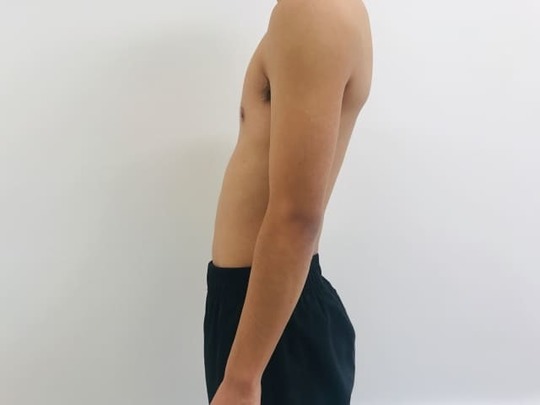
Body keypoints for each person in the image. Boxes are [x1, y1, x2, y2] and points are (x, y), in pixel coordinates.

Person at [204, 0, 373, 403]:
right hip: (261, 311)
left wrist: (242, 379)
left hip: (273, 329)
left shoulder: (314, 11)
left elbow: (297, 218)